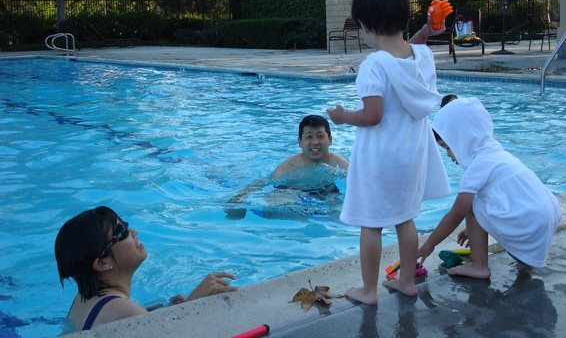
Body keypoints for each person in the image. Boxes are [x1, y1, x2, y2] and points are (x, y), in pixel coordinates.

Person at [326, 0, 451, 305]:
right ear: (405, 17)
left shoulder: (373, 65)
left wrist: (341, 117)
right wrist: (427, 31)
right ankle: (406, 281)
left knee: (371, 225)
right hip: (411, 156)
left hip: (380, 159)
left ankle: (368, 291)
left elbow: (372, 115)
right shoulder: (422, 56)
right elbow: (414, 50)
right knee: (404, 219)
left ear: (365, 26)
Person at [418, 97, 561, 279]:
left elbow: (456, 213)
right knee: (481, 205)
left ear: (462, 140)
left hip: (528, 222)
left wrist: (429, 244)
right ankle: (524, 260)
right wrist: (475, 228)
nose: (448, 154)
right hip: (545, 216)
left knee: (471, 206)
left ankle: (479, 266)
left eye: (447, 147)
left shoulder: (477, 165)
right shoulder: (497, 152)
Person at [55, 206, 238, 332]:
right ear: (102, 264)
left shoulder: (84, 297)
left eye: (125, 225)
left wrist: (164, 311)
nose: (133, 231)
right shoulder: (127, 312)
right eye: (122, 232)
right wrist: (192, 305)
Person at [271, 114, 349, 179]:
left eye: (320, 136)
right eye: (309, 136)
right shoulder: (287, 168)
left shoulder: (343, 167)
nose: (315, 142)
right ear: (300, 142)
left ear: (330, 140)